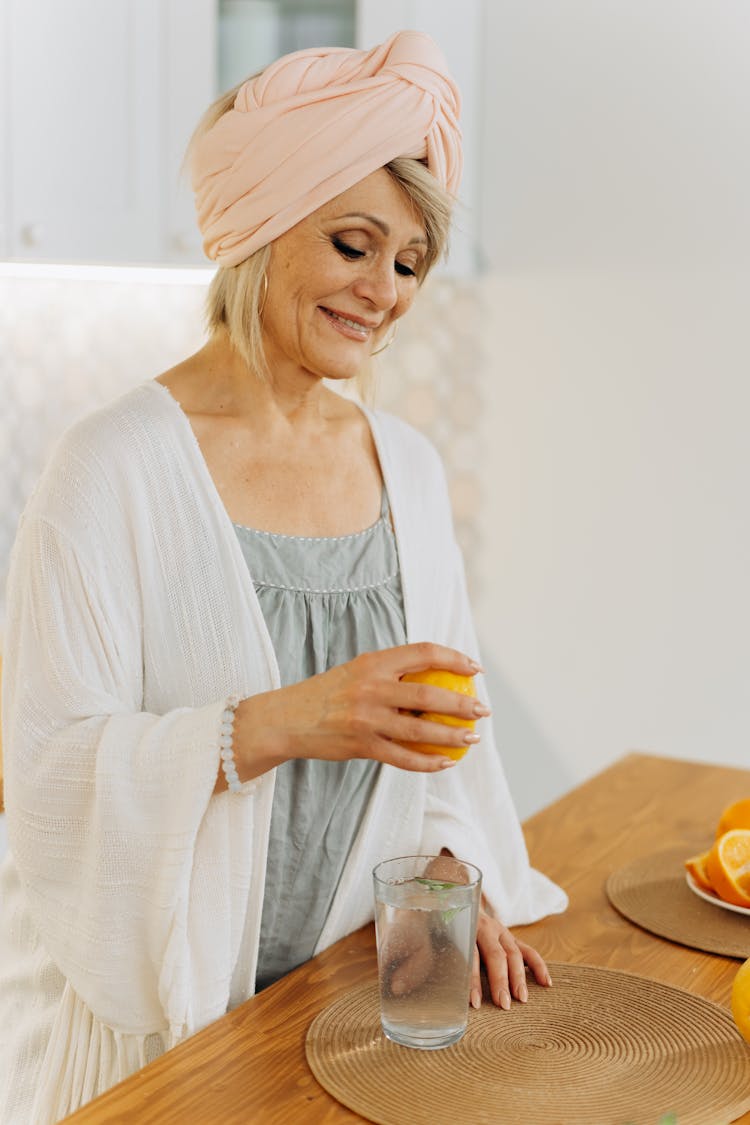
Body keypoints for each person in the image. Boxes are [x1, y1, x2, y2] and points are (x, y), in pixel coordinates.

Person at [0, 30, 567, 1123]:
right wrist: (282, 720)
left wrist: (457, 874)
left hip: (340, 1008)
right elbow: (48, 773)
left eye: (408, 264)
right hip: (145, 1042)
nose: (384, 293)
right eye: (354, 245)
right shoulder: (109, 467)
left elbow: (449, 744)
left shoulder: (403, 464)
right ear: (259, 228)